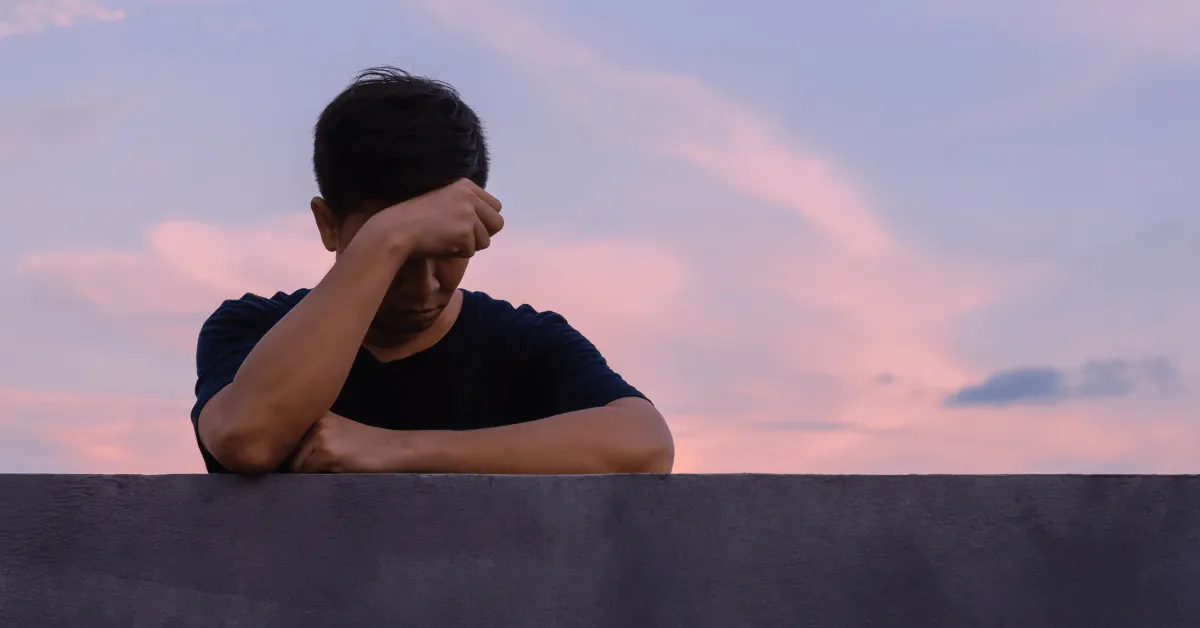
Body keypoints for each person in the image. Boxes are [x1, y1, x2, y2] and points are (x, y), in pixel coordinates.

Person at [189, 67, 674, 475]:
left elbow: (646, 445)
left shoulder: (522, 343)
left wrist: (395, 450)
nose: (425, 286)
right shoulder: (251, 327)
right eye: (399, 251)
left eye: (446, 249)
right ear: (328, 225)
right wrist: (387, 239)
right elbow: (247, 439)